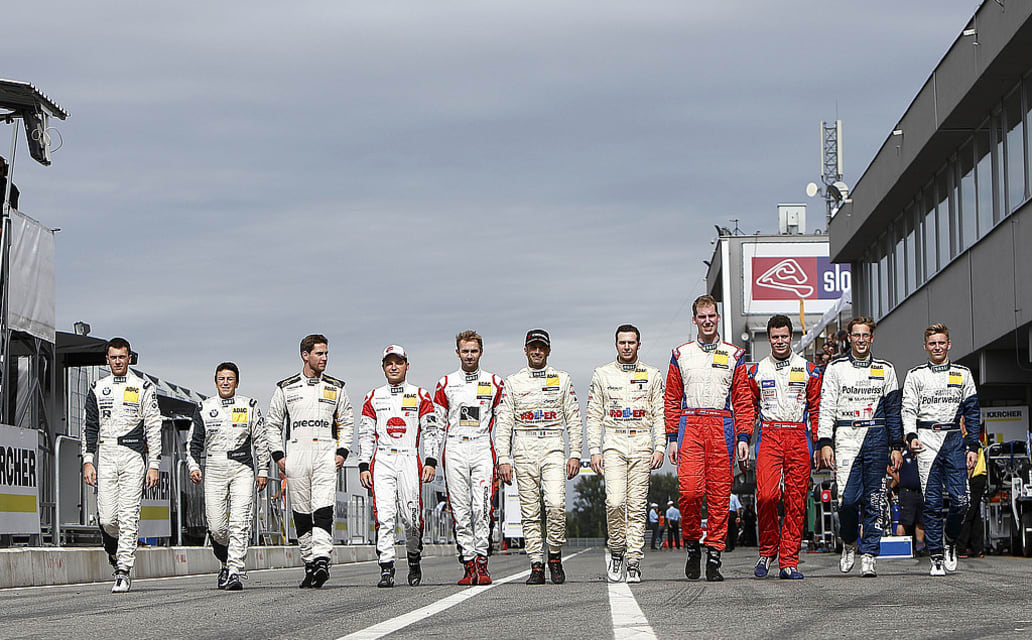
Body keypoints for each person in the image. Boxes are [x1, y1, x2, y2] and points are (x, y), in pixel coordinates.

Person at [665, 295, 748, 582]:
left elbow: (743, 400)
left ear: (718, 318)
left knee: (719, 496)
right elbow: (672, 398)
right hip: (690, 424)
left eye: (712, 316)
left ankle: (714, 555)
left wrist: (744, 436)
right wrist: (672, 437)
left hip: (722, 425)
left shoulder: (734, 354)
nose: (708, 321)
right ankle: (692, 545)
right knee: (689, 492)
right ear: (695, 320)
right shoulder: (681, 354)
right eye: (702, 317)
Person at [734, 315, 822, 579]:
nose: (780, 341)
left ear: (791, 337)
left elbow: (817, 410)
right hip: (769, 435)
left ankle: (789, 561)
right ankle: (768, 550)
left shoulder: (809, 370)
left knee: (796, 500)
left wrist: (819, 443)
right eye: (775, 337)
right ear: (769, 339)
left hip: (798, 435)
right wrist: (743, 438)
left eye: (784, 336)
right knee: (766, 496)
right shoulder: (756, 371)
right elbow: (747, 409)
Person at [816, 317, 903, 578]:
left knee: (875, 500)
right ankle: (849, 542)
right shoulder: (836, 368)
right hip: (846, 436)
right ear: (850, 339)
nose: (861, 340)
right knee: (847, 501)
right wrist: (825, 442)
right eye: (857, 335)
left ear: (872, 338)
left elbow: (893, 411)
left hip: (877, 436)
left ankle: (869, 555)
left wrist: (896, 445)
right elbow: (826, 407)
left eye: (866, 335)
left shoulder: (885, 369)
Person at [267, 334, 354, 589]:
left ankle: (322, 559)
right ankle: (309, 563)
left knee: (323, 509)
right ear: (305, 355)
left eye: (326, 353)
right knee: (302, 514)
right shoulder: (286, 387)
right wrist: (278, 456)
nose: (324, 358)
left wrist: (342, 452)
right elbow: (273, 424)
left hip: (325, 453)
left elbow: (347, 421)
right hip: (296, 454)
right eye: (319, 353)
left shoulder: (336, 387)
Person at [497, 329, 583, 585]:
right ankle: (536, 563)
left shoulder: (562, 379)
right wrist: (503, 458)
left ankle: (554, 555)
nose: (537, 351)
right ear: (525, 350)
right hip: (523, 445)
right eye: (533, 347)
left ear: (548, 350)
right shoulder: (513, 382)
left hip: (553, 443)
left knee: (555, 504)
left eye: (541, 347)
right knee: (529, 510)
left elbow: (573, 418)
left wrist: (575, 453)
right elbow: (504, 422)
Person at [81, 337, 162, 593]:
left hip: (132, 455)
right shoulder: (98, 387)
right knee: (107, 519)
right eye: (113, 357)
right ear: (107, 359)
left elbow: (154, 427)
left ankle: (123, 570)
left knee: (128, 515)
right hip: (106, 453)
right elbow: (89, 426)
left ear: (130, 358)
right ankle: (114, 552)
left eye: (122, 357)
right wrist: (88, 460)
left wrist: (154, 464)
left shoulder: (143, 387)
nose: (118, 361)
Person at [586, 324, 665, 583]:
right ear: (616, 344)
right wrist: (594, 450)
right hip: (613, 442)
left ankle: (633, 561)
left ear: (639, 345)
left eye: (631, 342)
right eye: (622, 342)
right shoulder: (602, 373)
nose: (627, 347)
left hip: (641, 441)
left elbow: (660, 414)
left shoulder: (652, 374)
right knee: (615, 502)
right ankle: (617, 550)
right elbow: (593, 415)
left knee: (637, 506)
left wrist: (660, 446)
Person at [901, 323, 981, 576]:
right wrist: (911, 436)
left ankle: (950, 541)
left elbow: (973, 411)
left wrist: (973, 446)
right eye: (932, 343)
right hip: (926, 440)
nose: (937, 347)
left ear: (949, 344)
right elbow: (908, 409)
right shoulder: (915, 375)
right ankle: (936, 555)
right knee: (932, 503)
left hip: (954, 440)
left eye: (941, 342)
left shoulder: (962, 374)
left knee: (962, 501)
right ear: (925, 346)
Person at [359, 345, 441, 588]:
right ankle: (386, 567)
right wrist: (364, 464)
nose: (393, 367)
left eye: (398, 362)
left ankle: (413, 557)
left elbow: (431, 431)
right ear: (383, 367)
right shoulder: (373, 396)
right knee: (384, 517)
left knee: (411, 518)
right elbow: (365, 434)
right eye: (389, 363)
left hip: (409, 458)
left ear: (407, 366)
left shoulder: (420, 395)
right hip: (383, 460)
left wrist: (431, 461)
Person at [187, 362, 270, 590]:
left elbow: (261, 441)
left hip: (242, 467)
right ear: (215, 382)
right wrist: (193, 466)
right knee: (217, 527)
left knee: (239, 522)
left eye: (230, 379)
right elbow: (194, 443)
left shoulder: (249, 406)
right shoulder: (204, 407)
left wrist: (263, 470)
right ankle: (224, 561)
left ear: (237, 383)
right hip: (214, 467)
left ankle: (235, 570)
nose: (225, 383)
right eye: (221, 379)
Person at [433, 330, 504, 585]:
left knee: (482, 507)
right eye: (465, 351)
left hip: (482, 446)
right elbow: (436, 425)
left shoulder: (494, 382)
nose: (470, 355)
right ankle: (468, 563)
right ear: (458, 353)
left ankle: (482, 561)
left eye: (474, 351)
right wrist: (431, 459)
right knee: (460, 509)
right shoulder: (446, 383)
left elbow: (503, 424)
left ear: (481, 352)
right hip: (454, 447)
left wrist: (504, 457)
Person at [957, 421, 986, 559]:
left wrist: (966, 480)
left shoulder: (968, 440)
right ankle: (977, 548)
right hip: (979, 477)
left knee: (967, 513)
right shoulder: (972, 439)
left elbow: (970, 464)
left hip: (974, 478)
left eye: (960, 423)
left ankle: (961, 548)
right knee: (975, 514)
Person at [888, 448, 924, 550]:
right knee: (904, 521)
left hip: (920, 492)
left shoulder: (922, 455)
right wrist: (896, 479)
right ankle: (901, 546)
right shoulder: (902, 454)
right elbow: (887, 466)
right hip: (906, 492)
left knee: (920, 521)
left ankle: (920, 547)